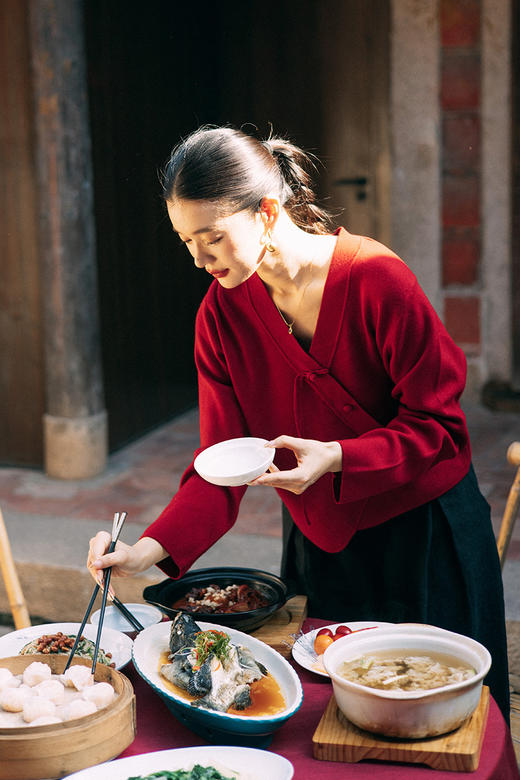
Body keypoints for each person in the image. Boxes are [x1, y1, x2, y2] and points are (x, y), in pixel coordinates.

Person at [88, 125, 510, 722]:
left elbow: (441, 430)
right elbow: (221, 463)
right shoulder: (221, 315)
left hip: (427, 537)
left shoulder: (376, 279)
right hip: (324, 545)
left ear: (265, 212)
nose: (200, 259)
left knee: (443, 725)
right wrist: (146, 553)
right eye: (186, 240)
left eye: (213, 237)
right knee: (332, 723)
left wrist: (336, 456)